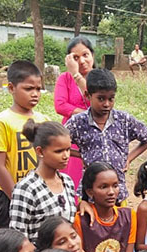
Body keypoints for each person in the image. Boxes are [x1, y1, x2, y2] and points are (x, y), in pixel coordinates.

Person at [67, 68, 147, 204]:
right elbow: (57, 144)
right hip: (90, 195)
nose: (107, 104)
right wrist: (80, 154)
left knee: (118, 223)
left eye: (111, 98)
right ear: (88, 95)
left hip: (117, 194)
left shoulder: (123, 119)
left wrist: (129, 158)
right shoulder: (77, 122)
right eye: (101, 99)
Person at [0, 61, 48, 228]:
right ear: (11, 88)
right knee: (12, 245)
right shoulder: (1, 121)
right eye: (28, 89)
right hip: (8, 195)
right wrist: (17, 198)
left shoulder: (44, 120)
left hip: (38, 194)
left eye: (38, 89)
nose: (35, 94)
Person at [76, 162, 137, 252]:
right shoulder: (81, 221)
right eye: (103, 187)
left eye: (115, 186)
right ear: (90, 192)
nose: (111, 192)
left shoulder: (129, 216)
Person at [9, 120, 77, 243]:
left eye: (68, 149)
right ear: (40, 151)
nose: (66, 155)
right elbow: (18, 237)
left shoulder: (67, 182)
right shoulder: (26, 189)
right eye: (59, 151)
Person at [55, 37, 96, 189]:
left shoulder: (100, 78)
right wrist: (86, 113)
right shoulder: (64, 78)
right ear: (69, 60)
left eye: (85, 55)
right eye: (76, 57)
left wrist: (77, 76)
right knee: (72, 175)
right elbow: (60, 105)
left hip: (96, 133)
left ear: (92, 55)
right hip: (72, 135)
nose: (82, 61)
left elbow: (96, 99)